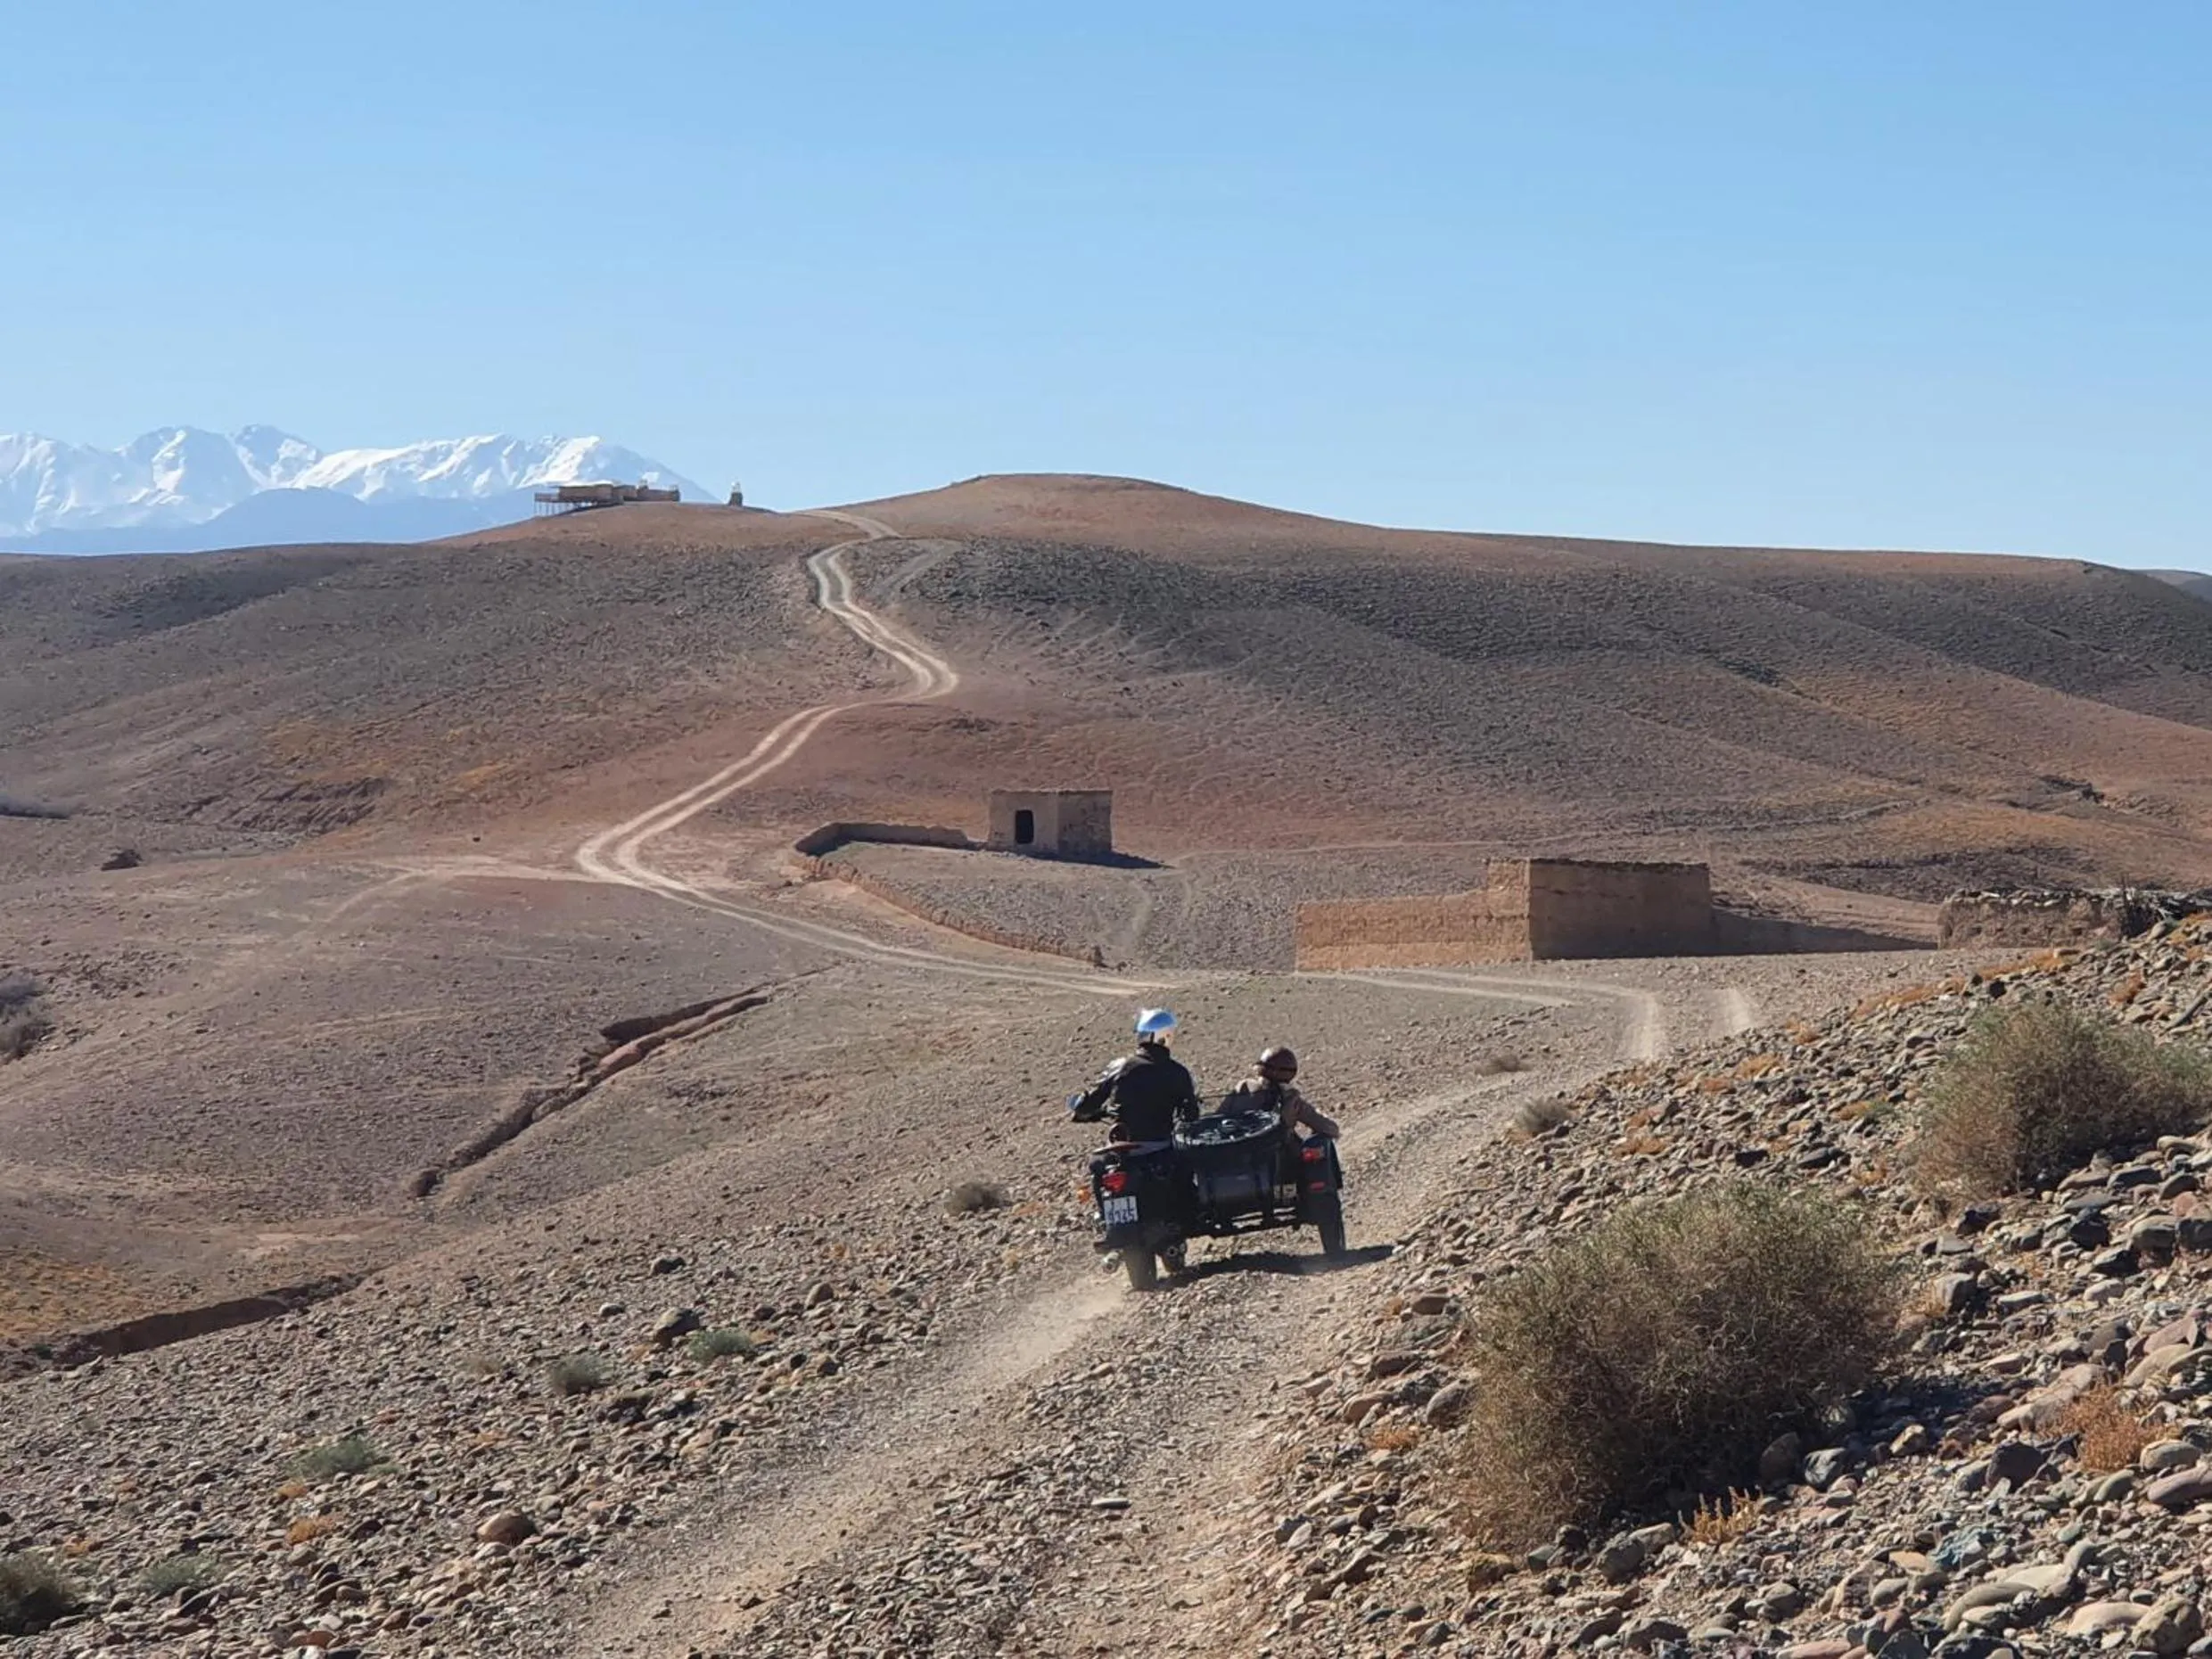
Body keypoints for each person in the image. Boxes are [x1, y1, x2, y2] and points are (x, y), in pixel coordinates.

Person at [1069, 1007, 1202, 1147]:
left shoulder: (1120, 1066)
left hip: (1122, 1146)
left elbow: (1088, 1104)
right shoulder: (1179, 1072)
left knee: (1097, 1165)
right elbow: (1191, 1114)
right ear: (1166, 1036)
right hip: (1160, 1146)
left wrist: (1092, 1110)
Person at [1221, 1047, 1340, 1142]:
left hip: (1233, 1150)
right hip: (1275, 1159)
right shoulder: (1289, 1098)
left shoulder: (1244, 1087)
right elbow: (1330, 1128)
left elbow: (1218, 1116)